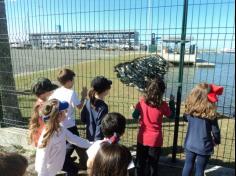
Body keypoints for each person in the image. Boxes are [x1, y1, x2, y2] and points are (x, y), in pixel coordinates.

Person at [35, 99, 91, 176]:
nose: (66, 113)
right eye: (65, 111)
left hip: (59, 161)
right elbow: (42, 159)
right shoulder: (48, 137)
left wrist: (94, 144)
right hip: (48, 169)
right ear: (59, 115)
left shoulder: (60, 128)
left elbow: (75, 139)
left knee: (73, 169)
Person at [49, 68, 88, 172]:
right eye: (73, 80)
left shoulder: (55, 92)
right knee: (74, 143)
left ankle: (78, 162)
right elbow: (79, 107)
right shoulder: (71, 93)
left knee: (67, 143)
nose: (73, 82)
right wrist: (83, 96)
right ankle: (63, 160)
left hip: (58, 123)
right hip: (69, 124)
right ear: (69, 81)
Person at [132, 77, 171, 176]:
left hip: (142, 137)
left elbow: (134, 115)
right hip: (155, 140)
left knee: (140, 162)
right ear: (162, 91)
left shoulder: (141, 102)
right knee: (153, 164)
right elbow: (171, 115)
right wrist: (172, 104)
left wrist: (136, 110)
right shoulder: (163, 105)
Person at [182, 83, 223, 176]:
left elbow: (185, 118)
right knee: (199, 170)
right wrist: (216, 140)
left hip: (190, 144)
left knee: (188, 165)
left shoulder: (190, 111)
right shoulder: (211, 114)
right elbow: (215, 131)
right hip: (204, 146)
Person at [81, 76, 112, 141]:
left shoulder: (88, 101)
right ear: (105, 90)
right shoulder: (103, 107)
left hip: (89, 136)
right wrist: (97, 142)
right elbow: (100, 126)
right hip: (97, 141)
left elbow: (83, 118)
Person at [29, 77, 58, 147]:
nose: (52, 91)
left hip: (42, 136)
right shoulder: (44, 106)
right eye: (49, 90)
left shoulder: (40, 103)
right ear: (42, 93)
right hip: (44, 138)